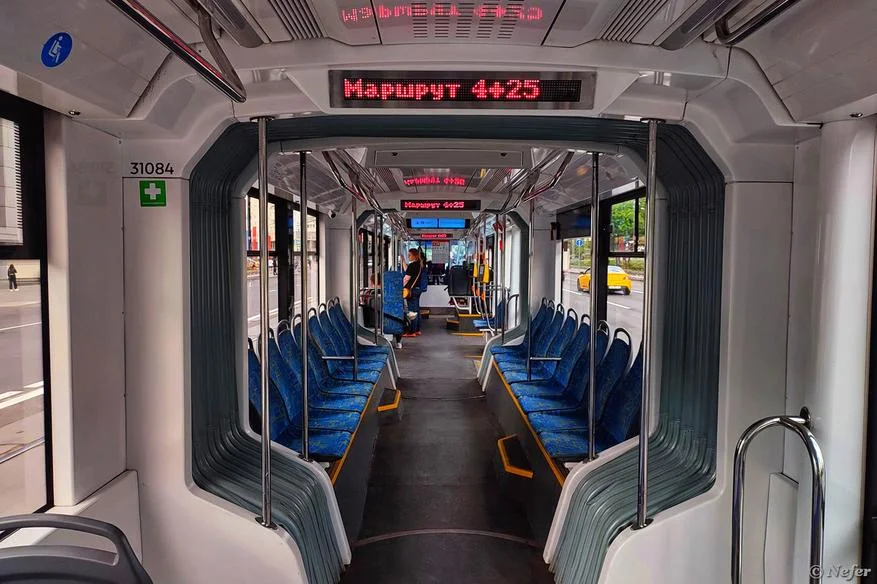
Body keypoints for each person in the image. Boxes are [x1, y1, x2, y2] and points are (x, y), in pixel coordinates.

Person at [402, 247, 423, 338]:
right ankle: (417, 330)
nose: (408, 257)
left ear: (415, 256)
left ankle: (412, 331)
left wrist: (401, 285)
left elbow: (407, 278)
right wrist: (403, 262)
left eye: (410, 255)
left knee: (412, 311)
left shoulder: (412, 265)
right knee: (416, 310)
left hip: (412, 290)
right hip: (417, 289)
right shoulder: (419, 265)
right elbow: (408, 270)